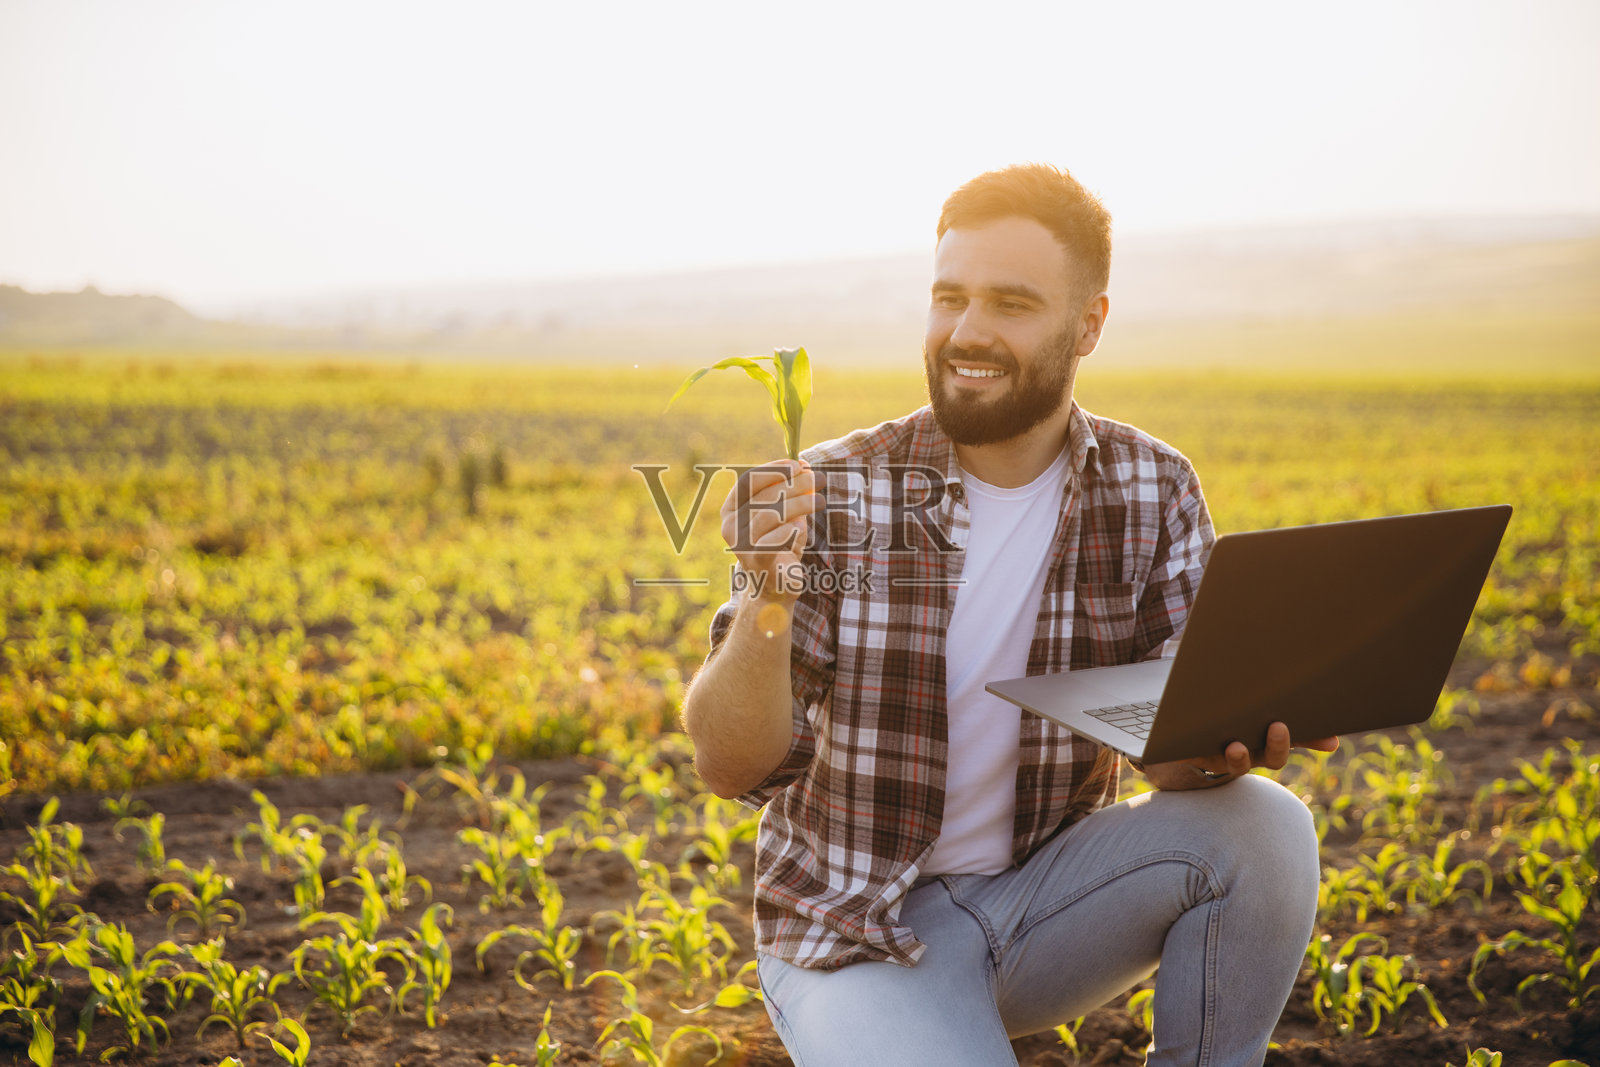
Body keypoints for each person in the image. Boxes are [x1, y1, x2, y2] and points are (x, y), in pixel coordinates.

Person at [680, 163, 1337, 1067]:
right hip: (852, 929)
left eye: (1012, 303)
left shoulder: (1153, 487)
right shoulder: (839, 486)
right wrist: (767, 593)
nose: (968, 332)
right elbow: (727, 761)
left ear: (1090, 324)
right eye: (950, 297)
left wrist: (1221, 741)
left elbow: (1172, 751)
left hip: (1044, 907)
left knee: (1265, 825)